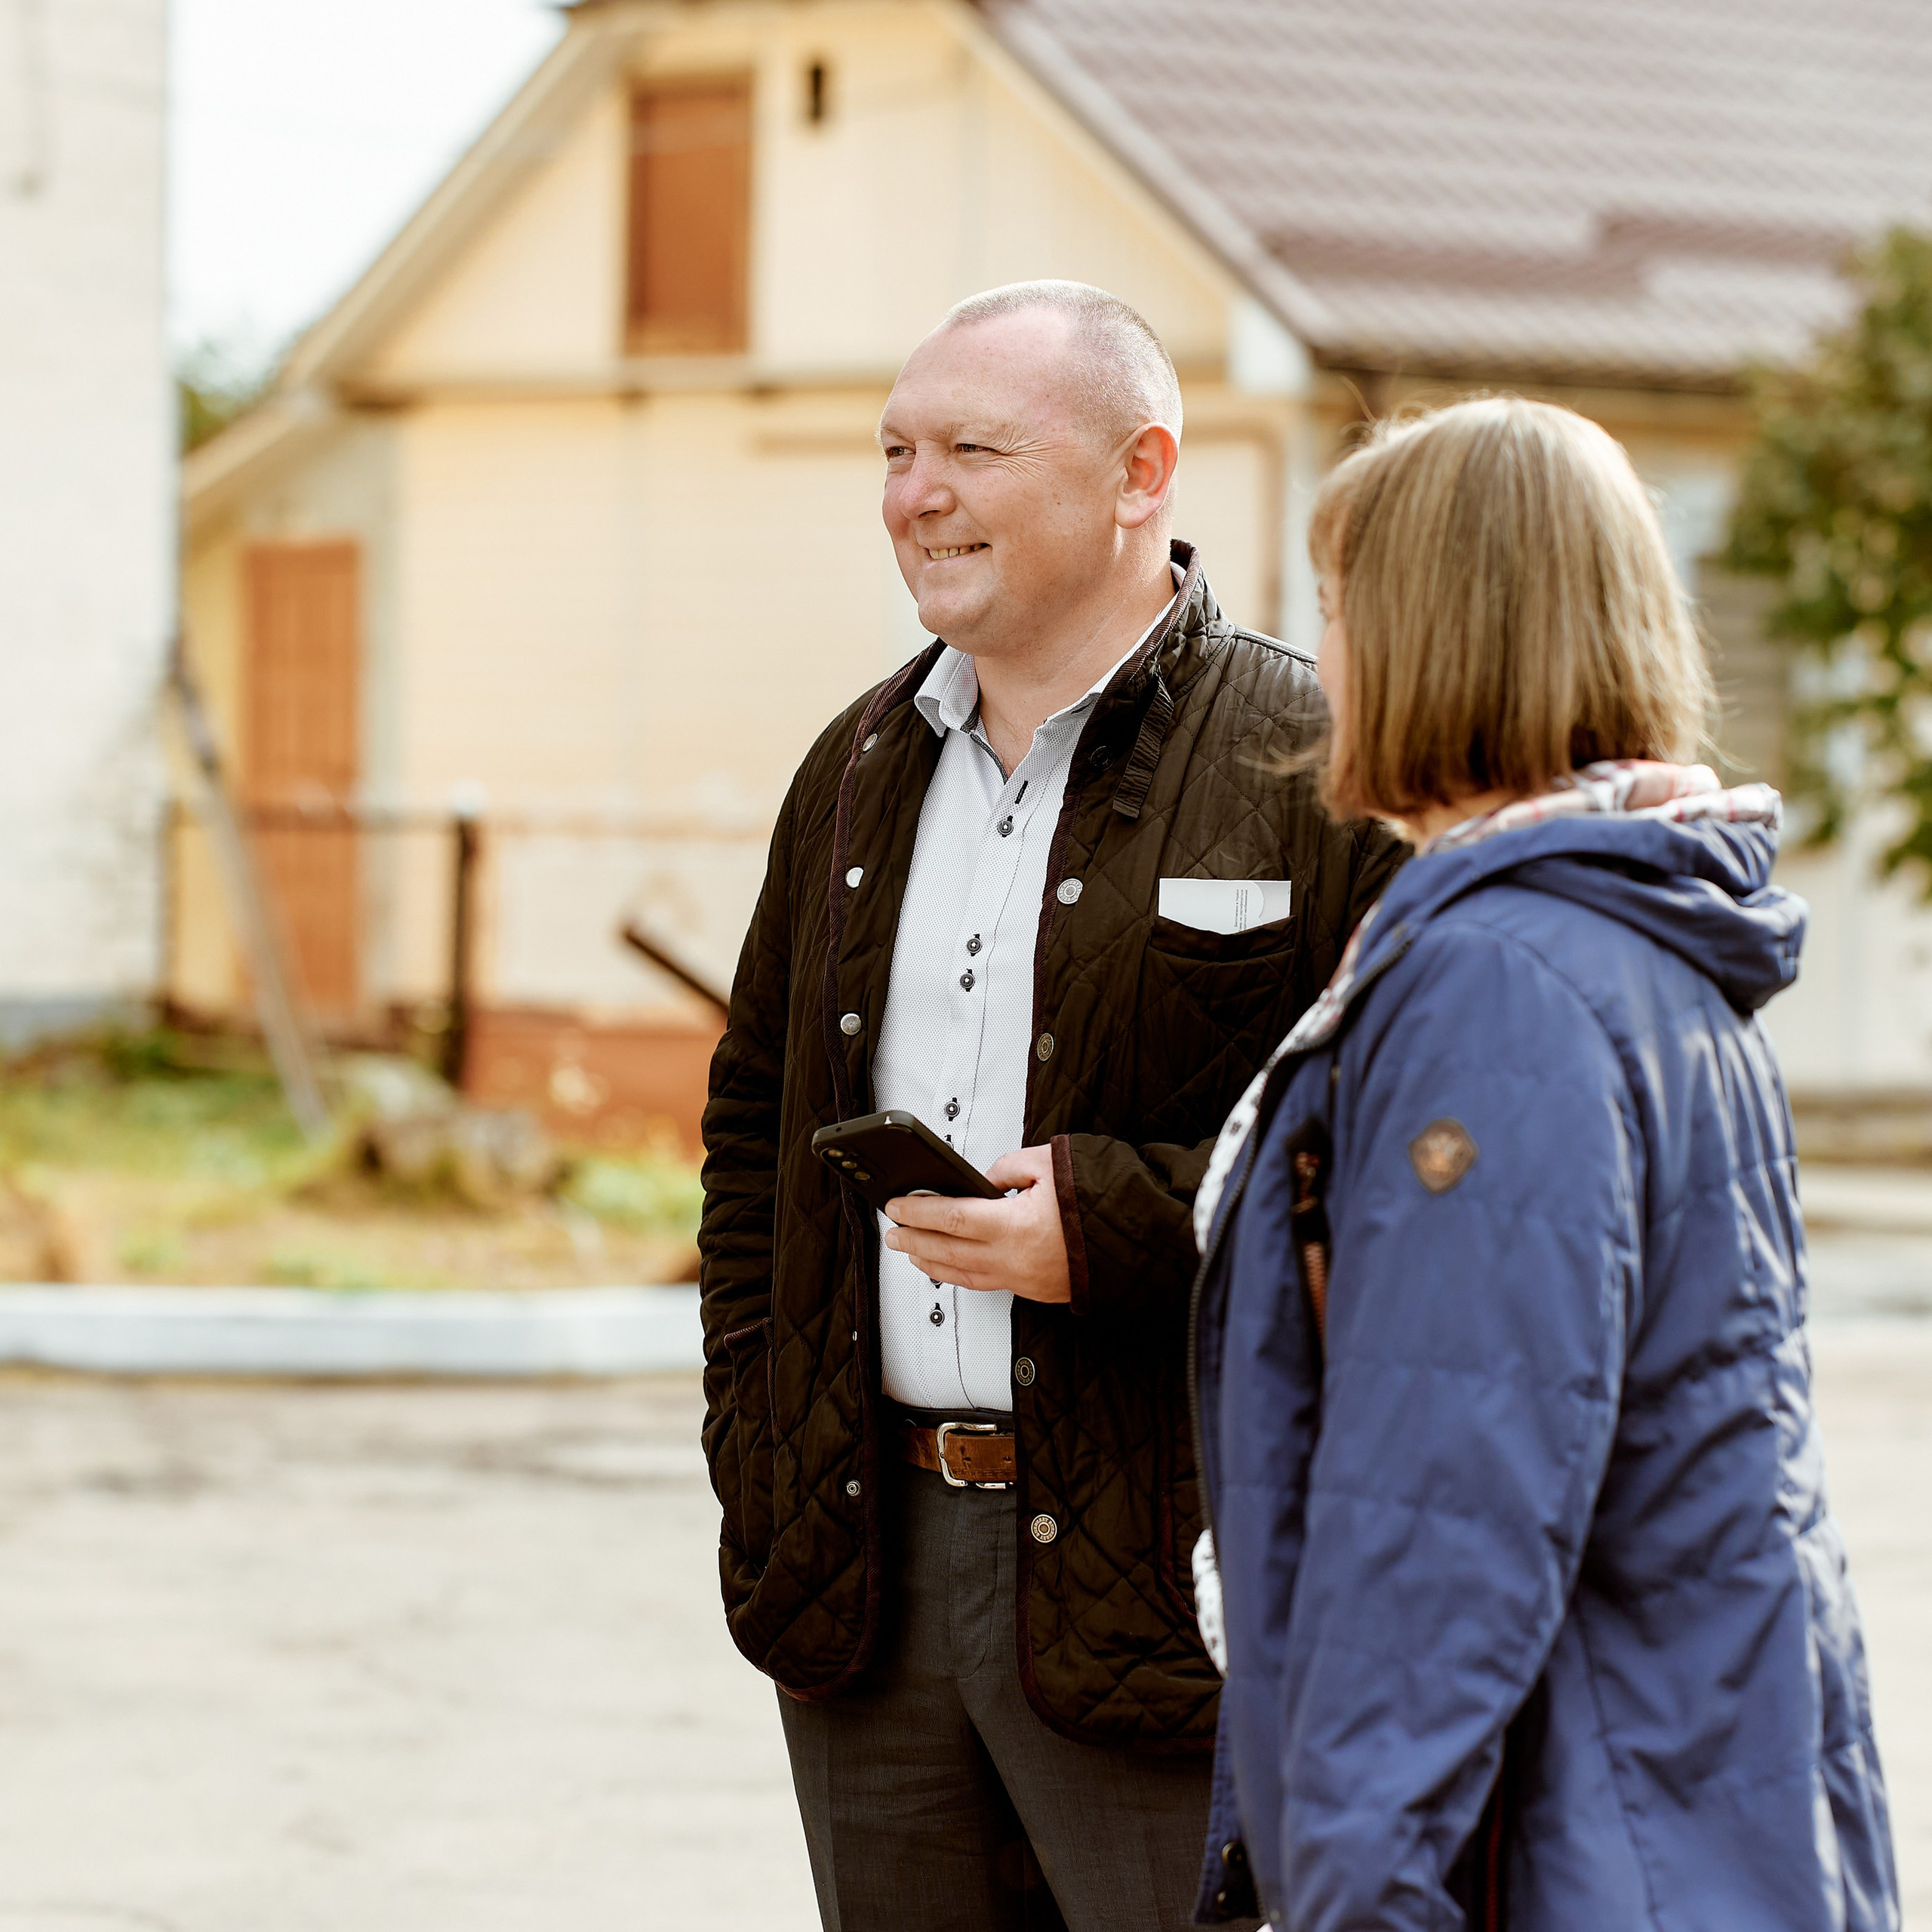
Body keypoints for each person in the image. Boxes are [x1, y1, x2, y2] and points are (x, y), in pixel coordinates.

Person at [697, 280, 1402, 1932]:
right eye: (892, 450)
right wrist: (756, 1438)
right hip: (860, 1576)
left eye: (968, 447)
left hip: (1172, 1570)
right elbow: (751, 1134)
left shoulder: (1317, 758)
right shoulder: (853, 766)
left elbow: (1401, 1167)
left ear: (1138, 472)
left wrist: (1119, 1226)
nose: (912, 491)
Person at [1188, 396, 1900, 1931]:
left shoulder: (1501, 980)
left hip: (1579, 1839)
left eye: (1338, 609)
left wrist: (1353, 1890)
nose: (1325, 660)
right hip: (1680, 1804)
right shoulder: (1621, 935)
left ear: (1443, 628)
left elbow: (1446, 1506)